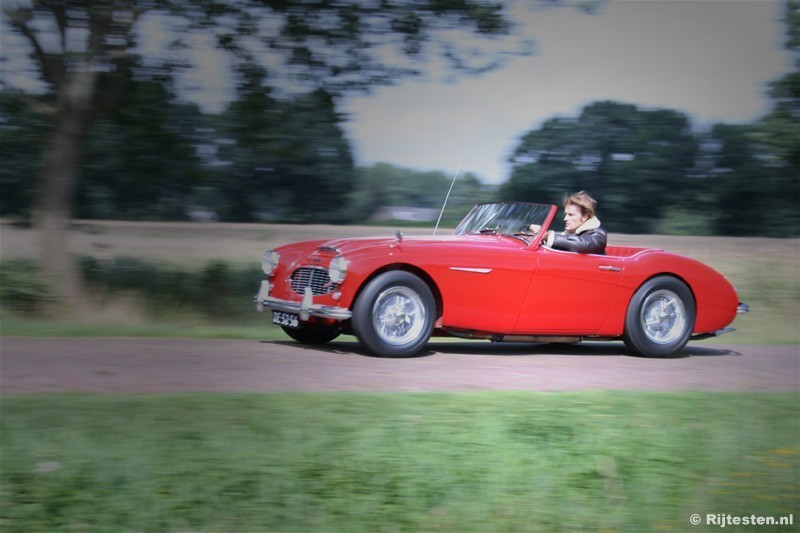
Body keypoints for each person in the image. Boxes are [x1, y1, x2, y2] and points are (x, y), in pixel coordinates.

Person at [530, 191, 607, 255]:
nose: (565, 218)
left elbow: (581, 245)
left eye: (571, 215)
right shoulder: (568, 235)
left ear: (585, 217)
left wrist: (545, 235)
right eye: (566, 214)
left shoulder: (598, 235)